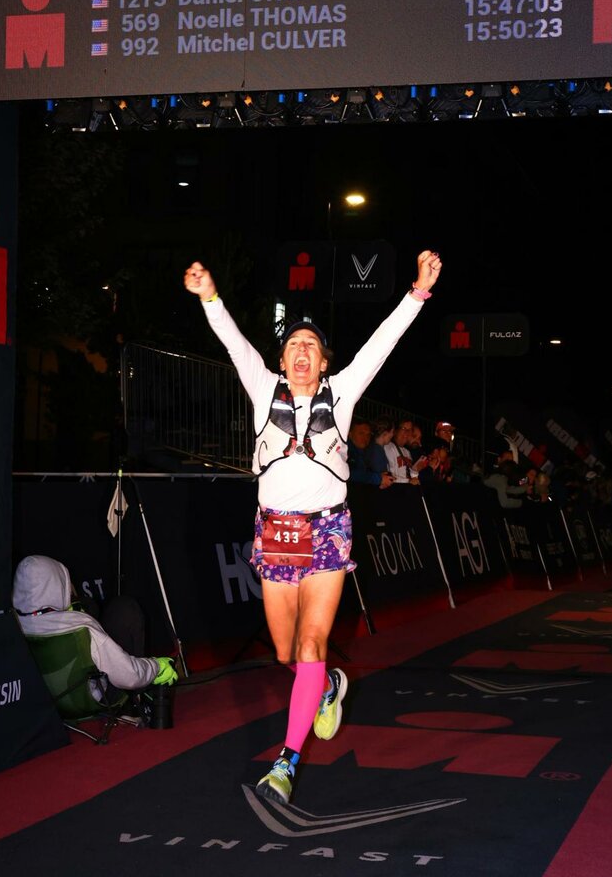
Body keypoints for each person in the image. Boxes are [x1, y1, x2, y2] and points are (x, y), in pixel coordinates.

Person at [184, 249, 443, 803]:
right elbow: (233, 342)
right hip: (275, 532)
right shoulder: (263, 391)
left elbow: (382, 343)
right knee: (284, 653)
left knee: (310, 642)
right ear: (281, 361)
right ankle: (326, 685)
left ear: (325, 362)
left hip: (327, 530)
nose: (301, 353)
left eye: (311, 347)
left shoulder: (342, 394)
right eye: (293, 346)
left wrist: (417, 292)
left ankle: (287, 760)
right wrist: (210, 297)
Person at [12, 554, 178, 692]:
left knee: (88, 604)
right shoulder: (80, 625)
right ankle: (137, 701)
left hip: (47, 704)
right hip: (90, 698)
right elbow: (129, 676)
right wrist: (156, 665)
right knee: (125, 609)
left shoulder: (11, 626)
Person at [347, 418, 393, 488]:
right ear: (350, 434)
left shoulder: (368, 452)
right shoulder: (344, 451)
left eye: (368, 434)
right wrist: (378, 479)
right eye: (361, 433)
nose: (365, 437)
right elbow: (348, 474)